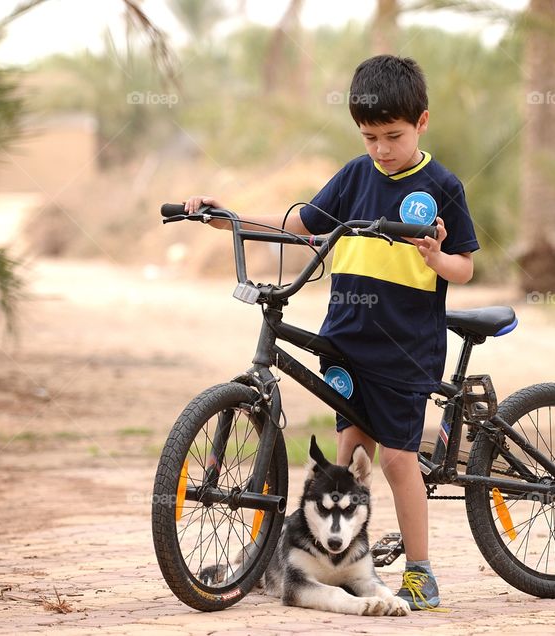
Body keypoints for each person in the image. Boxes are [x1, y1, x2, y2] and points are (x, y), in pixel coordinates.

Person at [183, 54, 479, 610]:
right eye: (370, 137)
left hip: (403, 349)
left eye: (393, 136)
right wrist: (235, 219)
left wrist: (438, 257)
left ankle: (421, 570)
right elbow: (304, 224)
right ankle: (337, 565)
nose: (381, 150)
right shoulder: (354, 175)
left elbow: (465, 266)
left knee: (396, 458)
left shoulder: (442, 186)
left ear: (422, 122)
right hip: (343, 340)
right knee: (347, 461)